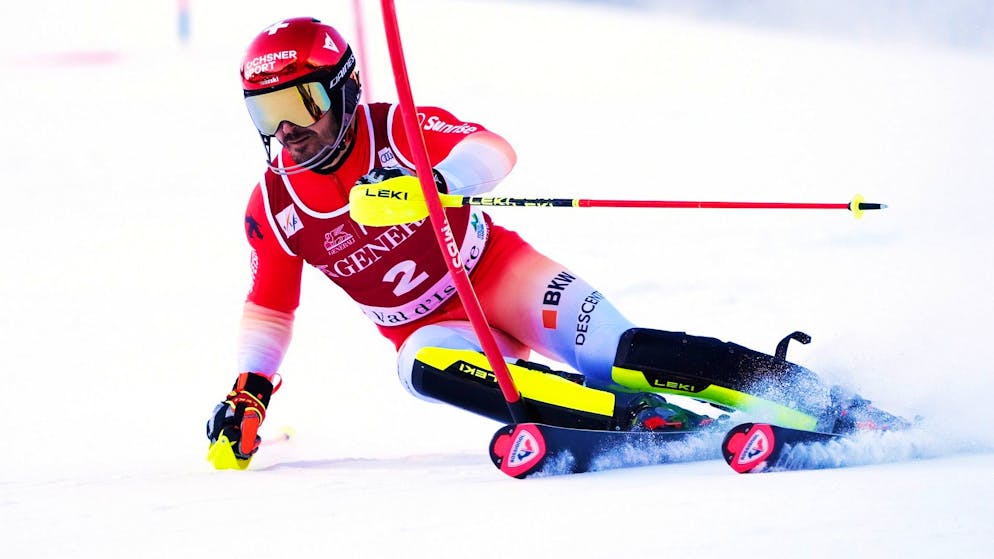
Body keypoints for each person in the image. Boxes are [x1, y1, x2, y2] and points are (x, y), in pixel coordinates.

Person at [206, 17, 907, 469]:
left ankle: (824, 401)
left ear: (344, 93)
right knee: (419, 366)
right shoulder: (275, 202)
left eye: (301, 105)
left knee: (623, 354)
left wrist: (435, 180)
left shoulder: (396, 129)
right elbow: (271, 305)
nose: (285, 131)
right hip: (435, 329)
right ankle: (638, 422)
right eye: (264, 113)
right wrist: (251, 392)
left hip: (497, 271)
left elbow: (494, 149)